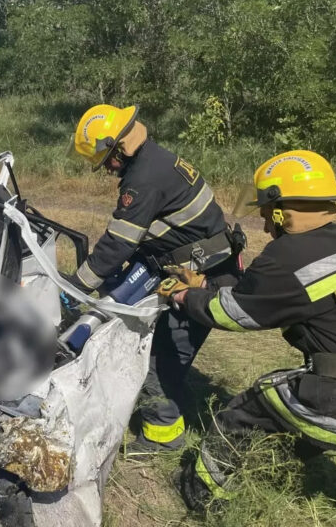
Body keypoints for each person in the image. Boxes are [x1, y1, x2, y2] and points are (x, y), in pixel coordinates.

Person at [160, 150, 336, 527]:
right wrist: (203, 284)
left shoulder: (288, 254)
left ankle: (201, 496)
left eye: (266, 215)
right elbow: (261, 292)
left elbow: (235, 312)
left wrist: (182, 296)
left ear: (282, 212)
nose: (265, 227)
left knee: (243, 412)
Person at [67, 103, 244, 451]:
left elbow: (117, 243)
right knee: (168, 349)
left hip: (203, 278)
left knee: (160, 362)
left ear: (118, 147)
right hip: (207, 265)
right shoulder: (156, 159)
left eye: (107, 163)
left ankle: (163, 437)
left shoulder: (142, 179)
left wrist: (76, 286)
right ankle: (175, 400)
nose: (107, 171)